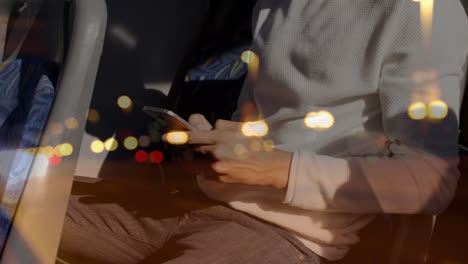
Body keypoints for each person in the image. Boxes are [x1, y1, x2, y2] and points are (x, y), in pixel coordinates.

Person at [58, 1, 468, 263]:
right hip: (194, 203)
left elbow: (430, 180)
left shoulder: (422, 13)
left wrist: (275, 170)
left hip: (286, 236)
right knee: (17, 201)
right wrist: (215, 141)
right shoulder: (274, 5)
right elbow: (275, 125)